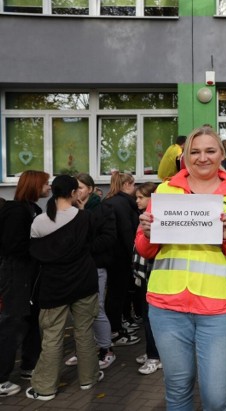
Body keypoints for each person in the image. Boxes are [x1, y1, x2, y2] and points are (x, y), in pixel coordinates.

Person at [135, 125, 226, 410]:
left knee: (215, 396)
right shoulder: (164, 190)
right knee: (177, 387)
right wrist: (147, 234)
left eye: (210, 151)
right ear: (184, 155)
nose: (202, 157)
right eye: (194, 152)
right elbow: (144, 249)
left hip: (217, 307)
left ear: (222, 154)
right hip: (166, 305)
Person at [27, 175, 102, 401]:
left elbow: (35, 254)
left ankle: (45, 387)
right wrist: (80, 209)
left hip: (54, 286)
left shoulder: (39, 221)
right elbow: (93, 244)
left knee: (51, 336)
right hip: (84, 283)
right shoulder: (85, 217)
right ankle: (89, 378)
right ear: (73, 193)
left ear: (53, 191)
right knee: (85, 332)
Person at [0, 171, 50, 397]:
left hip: (32, 276)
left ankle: (29, 365)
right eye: (45, 183)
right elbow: (12, 246)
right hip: (16, 276)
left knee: (31, 320)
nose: (48, 187)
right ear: (35, 185)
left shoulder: (35, 209)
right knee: (13, 323)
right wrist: (39, 248)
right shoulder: (15, 211)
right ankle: (1, 379)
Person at [65, 173, 118, 370]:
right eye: (74, 187)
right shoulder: (67, 209)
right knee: (78, 309)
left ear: (89, 188)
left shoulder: (103, 209)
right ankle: (84, 350)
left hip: (95, 265)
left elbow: (108, 238)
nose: (77, 191)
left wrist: (83, 247)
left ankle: (106, 349)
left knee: (97, 308)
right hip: (74, 267)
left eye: (80, 187)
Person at [103, 172, 141, 346]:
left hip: (111, 256)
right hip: (122, 257)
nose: (134, 190)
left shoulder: (109, 201)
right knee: (118, 295)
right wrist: (134, 256)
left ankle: (116, 327)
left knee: (115, 294)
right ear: (126, 184)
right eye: (133, 185)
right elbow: (127, 233)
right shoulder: (125, 204)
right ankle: (116, 330)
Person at [130, 182, 163, 375]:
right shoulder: (142, 218)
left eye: (141, 197)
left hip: (152, 275)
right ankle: (152, 351)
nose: (137, 201)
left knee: (152, 318)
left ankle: (155, 356)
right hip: (144, 276)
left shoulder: (158, 221)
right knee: (146, 315)